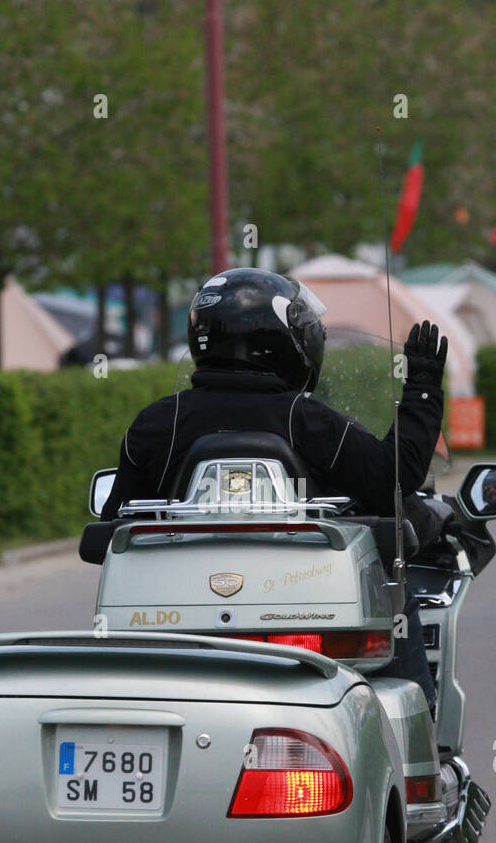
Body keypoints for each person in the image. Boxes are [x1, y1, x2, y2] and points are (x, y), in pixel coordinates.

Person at [102, 267, 449, 707]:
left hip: (177, 613)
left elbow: (115, 526)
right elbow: (389, 482)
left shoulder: (155, 425)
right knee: (396, 601)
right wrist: (421, 391)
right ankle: (420, 754)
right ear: (284, 341)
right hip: (300, 605)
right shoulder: (304, 419)